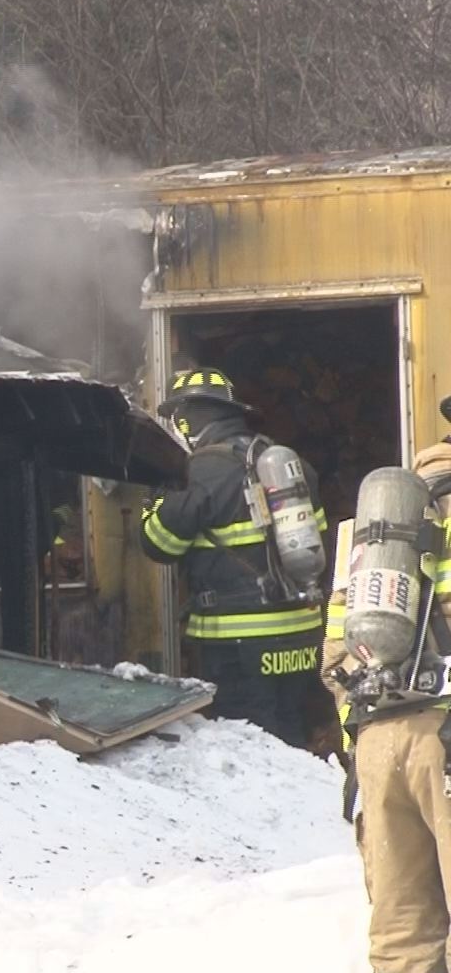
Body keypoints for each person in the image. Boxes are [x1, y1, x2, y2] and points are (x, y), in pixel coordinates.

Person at [139, 368, 327, 745]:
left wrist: (154, 502)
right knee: (292, 729)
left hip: (239, 640)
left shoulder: (195, 473)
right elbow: (318, 537)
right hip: (301, 636)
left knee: (251, 742)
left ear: (186, 420)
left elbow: (159, 545)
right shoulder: (289, 466)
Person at [325, 444, 451, 973]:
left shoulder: (368, 532)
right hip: (445, 738)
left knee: (402, 936)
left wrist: (360, 752)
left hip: (378, 744)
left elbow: (335, 658)